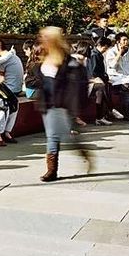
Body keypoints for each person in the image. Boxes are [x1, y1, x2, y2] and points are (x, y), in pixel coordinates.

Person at [37, 27, 90, 182]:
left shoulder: (68, 60)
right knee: (61, 136)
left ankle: (51, 171)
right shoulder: (44, 56)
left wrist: (74, 104)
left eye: (45, 37)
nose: (42, 39)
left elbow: (77, 82)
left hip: (60, 103)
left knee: (53, 136)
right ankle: (82, 152)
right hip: (46, 102)